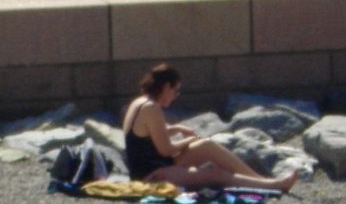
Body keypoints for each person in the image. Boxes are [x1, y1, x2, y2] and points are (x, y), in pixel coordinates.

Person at [123, 62, 299, 193]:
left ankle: (260, 180)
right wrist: (189, 140)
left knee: (206, 145)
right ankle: (273, 185)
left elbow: (144, 136)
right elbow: (166, 150)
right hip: (151, 175)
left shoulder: (139, 103)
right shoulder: (151, 108)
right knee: (215, 173)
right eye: (175, 91)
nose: (175, 96)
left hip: (154, 166)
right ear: (166, 86)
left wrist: (176, 129)